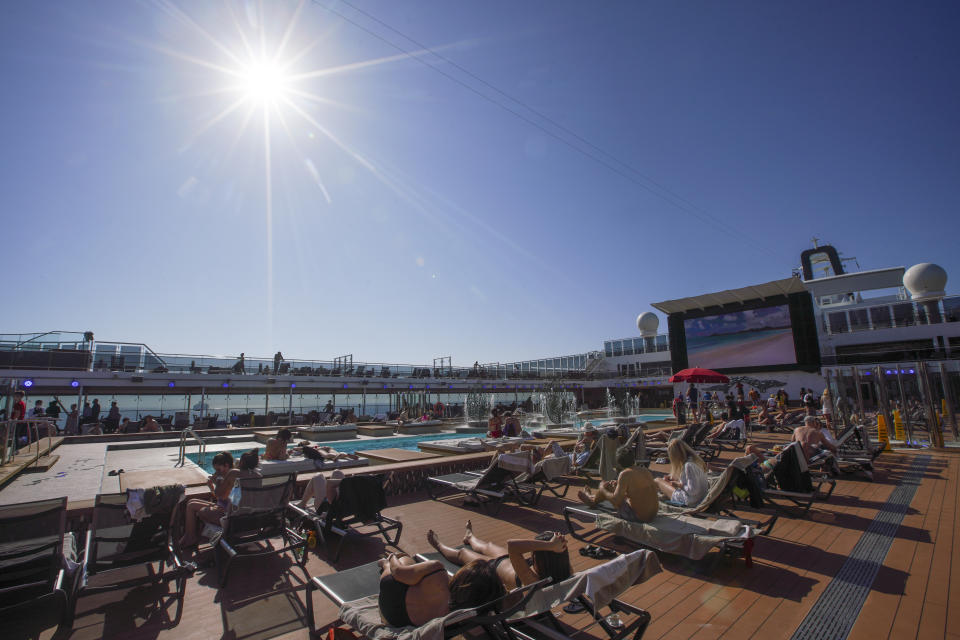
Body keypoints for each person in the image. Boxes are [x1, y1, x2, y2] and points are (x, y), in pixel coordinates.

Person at [427, 521, 571, 592]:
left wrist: (550, 546)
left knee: (462, 553)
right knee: (487, 545)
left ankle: (438, 544)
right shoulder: (565, 570)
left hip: (492, 567)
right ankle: (470, 537)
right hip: (509, 561)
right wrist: (554, 545)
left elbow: (512, 545)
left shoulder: (532, 580)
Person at [378, 547, 503, 628]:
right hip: (401, 621)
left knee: (405, 559)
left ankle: (385, 563)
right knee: (416, 577)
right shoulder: (465, 615)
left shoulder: (437, 570)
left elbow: (398, 572)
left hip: (390, 609)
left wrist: (392, 557)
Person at [180, 450, 261, 548]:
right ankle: (189, 536)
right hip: (245, 515)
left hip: (230, 516)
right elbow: (226, 498)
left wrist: (216, 482)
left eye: (218, 469)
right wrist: (213, 488)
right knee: (191, 503)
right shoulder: (257, 476)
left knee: (195, 507)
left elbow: (221, 496)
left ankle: (191, 537)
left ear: (241, 462)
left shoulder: (233, 474)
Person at [577, 446, 659, 522]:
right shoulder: (644, 470)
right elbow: (639, 492)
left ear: (618, 463)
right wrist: (618, 485)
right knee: (612, 488)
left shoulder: (625, 474)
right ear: (633, 458)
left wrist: (602, 488)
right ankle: (592, 498)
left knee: (606, 487)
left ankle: (592, 501)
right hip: (652, 515)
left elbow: (616, 501)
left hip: (638, 517)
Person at [653, 440, 709, 506]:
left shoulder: (688, 466)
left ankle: (650, 503)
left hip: (690, 500)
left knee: (657, 480)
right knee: (665, 482)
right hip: (700, 498)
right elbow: (692, 482)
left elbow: (693, 491)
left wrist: (679, 485)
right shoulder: (696, 461)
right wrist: (675, 480)